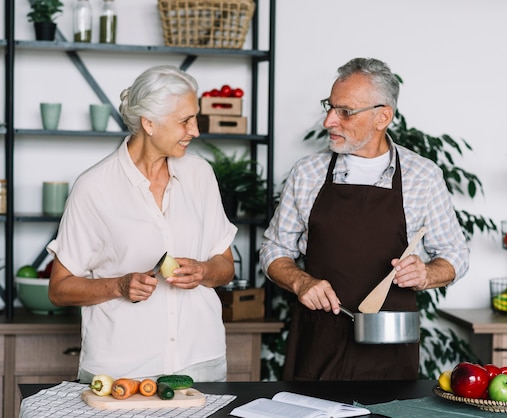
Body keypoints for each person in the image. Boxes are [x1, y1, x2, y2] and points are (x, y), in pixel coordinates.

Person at [259, 57, 470, 380]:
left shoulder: (423, 176)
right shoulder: (308, 173)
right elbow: (274, 250)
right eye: (329, 107)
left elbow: (456, 255)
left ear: (382, 116)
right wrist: (301, 281)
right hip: (318, 343)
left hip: (390, 346)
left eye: (345, 111)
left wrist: (426, 273)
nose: (329, 121)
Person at [47, 65, 238, 383]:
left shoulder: (200, 174)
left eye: (195, 118)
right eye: (185, 120)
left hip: (200, 361)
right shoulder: (94, 187)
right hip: (122, 371)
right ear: (149, 123)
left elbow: (226, 266)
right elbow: (59, 288)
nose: (195, 131)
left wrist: (204, 271)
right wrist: (118, 286)